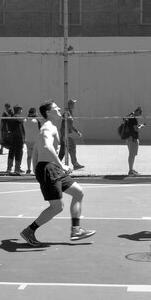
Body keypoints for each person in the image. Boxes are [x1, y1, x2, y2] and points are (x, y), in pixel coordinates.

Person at [20, 100, 95, 246]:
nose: (59, 108)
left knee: (78, 192)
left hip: (52, 169)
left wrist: (37, 168)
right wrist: (61, 165)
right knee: (57, 207)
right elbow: (47, 147)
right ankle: (29, 231)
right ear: (48, 112)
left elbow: (37, 148)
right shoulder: (48, 128)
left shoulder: (48, 127)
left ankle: (76, 230)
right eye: (55, 108)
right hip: (49, 169)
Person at [58, 98, 84, 169]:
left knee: (62, 151)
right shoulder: (66, 113)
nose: (74, 105)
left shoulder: (70, 113)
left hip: (66, 135)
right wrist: (63, 135)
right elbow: (63, 125)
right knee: (72, 148)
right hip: (66, 135)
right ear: (69, 105)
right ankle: (75, 164)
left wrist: (77, 131)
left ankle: (56, 165)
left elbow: (70, 125)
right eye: (73, 103)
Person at [6, 104, 26, 175]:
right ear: (18, 110)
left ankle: (9, 168)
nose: (21, 110)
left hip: (12, 137)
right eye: (21, 109)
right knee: (18, 152)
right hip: (18, 137)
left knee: (11, 152)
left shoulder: (12, 117)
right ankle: (17, 169)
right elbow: (21, 119)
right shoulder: (17, 117)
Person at [126, 107, 145, 176]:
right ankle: (130, 170)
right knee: (132, 155)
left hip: (128, 138)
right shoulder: (133, 118)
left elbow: (132, 127)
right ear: (137, 111)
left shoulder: (129, 116)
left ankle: (131, 169)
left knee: (132, 154)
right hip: (133, 138)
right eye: (140, 113)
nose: (139, 115)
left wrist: (138, 126)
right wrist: (141, 127)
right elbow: (136, 129)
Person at [24, 107, 41, 175]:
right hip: (36, 141)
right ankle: (36, 169)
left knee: (29, 156)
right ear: (34, 113)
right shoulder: (36, 120)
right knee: (37, 156)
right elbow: (40, 129)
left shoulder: (25, 120)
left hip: (28, 140)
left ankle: (28, 169)